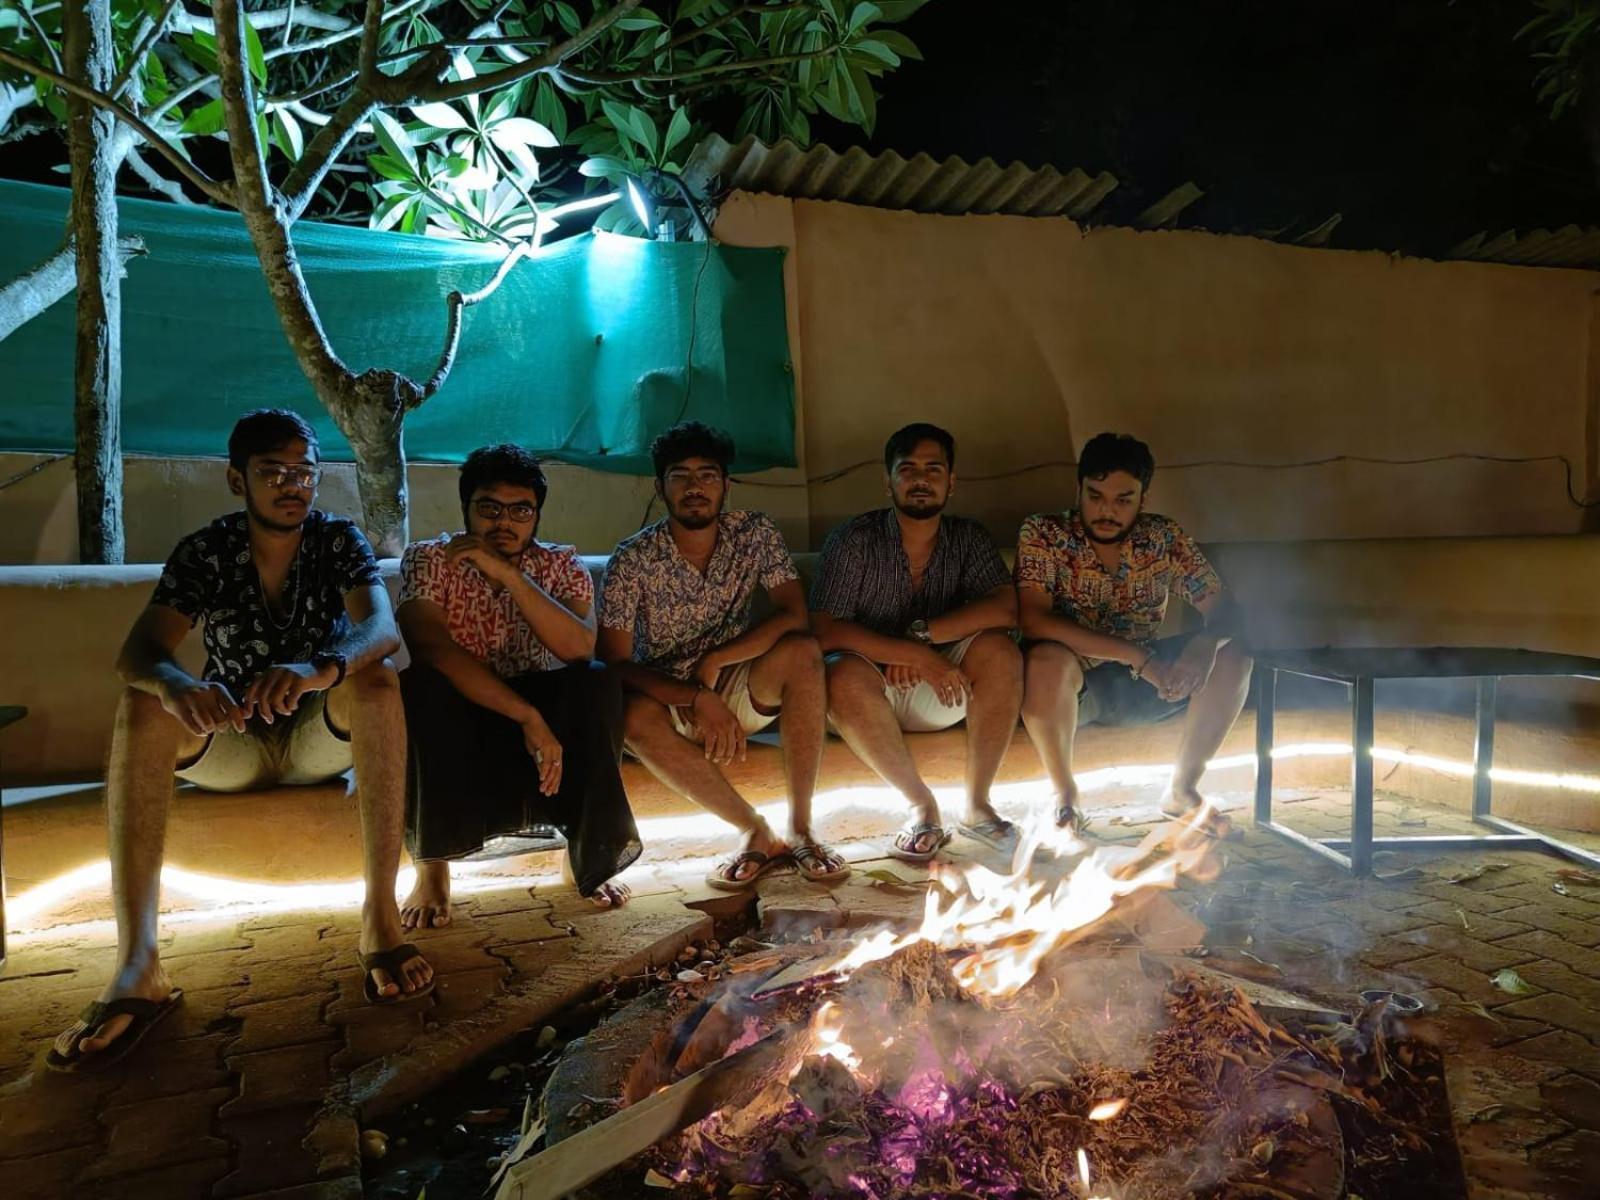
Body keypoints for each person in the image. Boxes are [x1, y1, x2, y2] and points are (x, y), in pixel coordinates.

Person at [50, 410, 430, 1073]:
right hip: (235, 745)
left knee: (378, 683)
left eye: (305, 471)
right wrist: (175, 685)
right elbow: (139, 650)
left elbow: (381, 629)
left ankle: (380, 922)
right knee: (142, 705)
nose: (293, 485)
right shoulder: (208, 550)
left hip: (317, 740)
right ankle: (138, 964)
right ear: (237, 479)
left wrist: (320, 670)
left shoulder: (337, 540)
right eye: (274, 472)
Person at [395, 445, 640, 929]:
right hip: (462, 708)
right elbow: (433, 650)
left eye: (520, 511)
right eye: (489, 508)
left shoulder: (561, 565)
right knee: (420, 686)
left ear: (537, 516)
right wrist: (527, 718)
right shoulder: (428, 559)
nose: (504, 523)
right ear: (466, 509)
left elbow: (578, 648)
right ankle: (432, 870)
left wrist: (508, 573)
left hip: (534, 696)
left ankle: (587, 856)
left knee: (596, 683)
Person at [599, 421, 845, 890]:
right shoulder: (632, 559)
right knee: (630, 713)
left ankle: (802, 827)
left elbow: (794, 614)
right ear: (660, 487)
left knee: (803, 652)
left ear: (726, 485)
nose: (695, 487)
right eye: (681, 476)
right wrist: (693, 695)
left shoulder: (753, 532)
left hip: (734, 686)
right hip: (667, 699)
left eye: (708, 475)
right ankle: (754, 829)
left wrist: (717, 662)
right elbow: (615, 664)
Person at [1017, 432, 1251, 836]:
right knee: (1045, 659)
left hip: (1150, 684)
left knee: (1237, 651)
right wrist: (1135, 657)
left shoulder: (1162, 538)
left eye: (1123, 499)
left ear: (1143, 499)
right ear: (1079, 489)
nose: (1107, 510)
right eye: (1095, 496)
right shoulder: (1045, 534)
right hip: (1072, 689)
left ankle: (1183, 789)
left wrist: (1205, 643)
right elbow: (1034, 621)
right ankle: (1066, 798)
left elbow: (1226, 608)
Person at [810, 423, 1023, 861]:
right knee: (839, 670)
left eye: (933, 468)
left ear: (951, 481)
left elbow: (1007, 609)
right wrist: (910, 655)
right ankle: (922, 807)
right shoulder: (855, 539)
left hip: (938, 687)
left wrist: (922, 642)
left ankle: (978, 805)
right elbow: (825, 628)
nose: (921, 479)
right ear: (887, 481)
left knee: (1000, 650)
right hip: (864, 698)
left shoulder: (968, 538)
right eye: (907, 469)